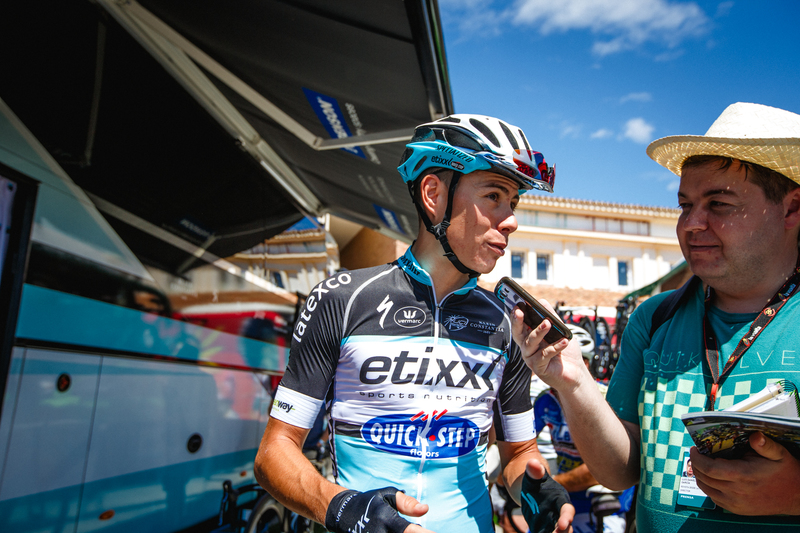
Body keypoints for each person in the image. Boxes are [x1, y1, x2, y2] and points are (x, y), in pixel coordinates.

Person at [254, 114, 575, 533]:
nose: (511, 220)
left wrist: (536, 489)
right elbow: (274, 453)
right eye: (494, 195)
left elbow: (518, 454)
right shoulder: (342, 299)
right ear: (433, 193)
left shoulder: (507, 323)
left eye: (513, 203)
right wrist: (345, 508)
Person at [518, 102, 800, 532]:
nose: (691, 224)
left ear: (792, 209)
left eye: (719, 204)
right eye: (686, 205)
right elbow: (619, 472)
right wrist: (572, 381)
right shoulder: (654, 317)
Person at [534, 324, 629, 533]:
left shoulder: (606, 398)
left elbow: (603, 469)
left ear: (585, 363)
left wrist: (551, 484)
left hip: (603, 503)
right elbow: (524, 447)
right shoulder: (546, 400)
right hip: (565, 498)